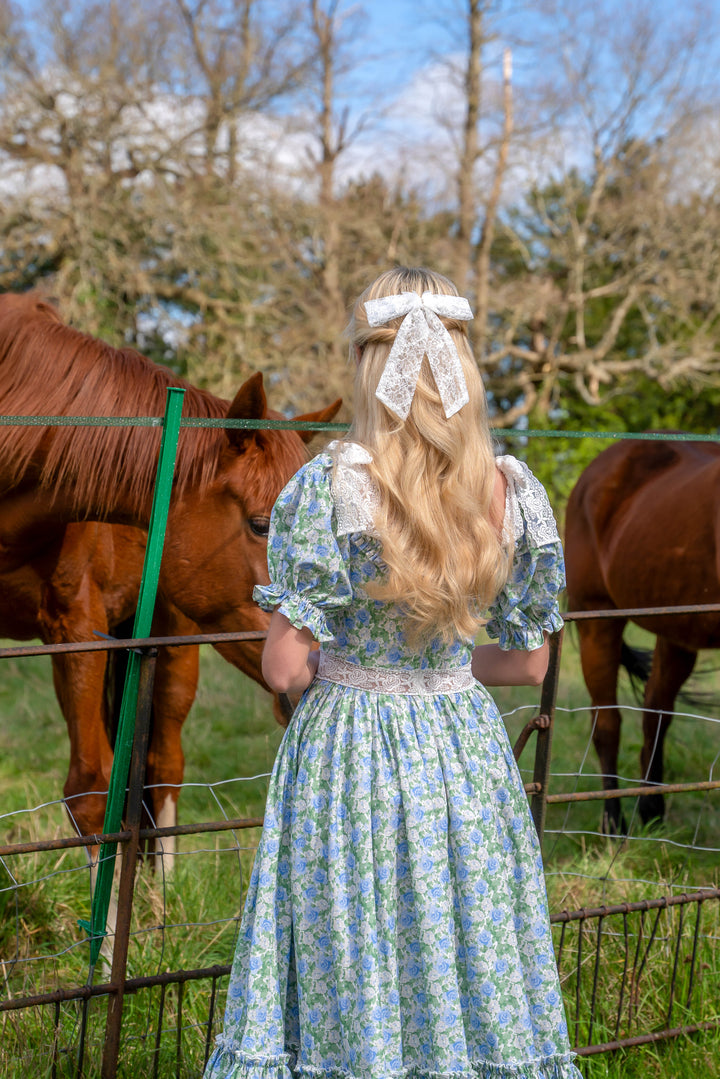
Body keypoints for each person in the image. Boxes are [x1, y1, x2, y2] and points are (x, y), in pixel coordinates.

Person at [204, 267, 582, 1079]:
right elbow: (528, 659)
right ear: (461, 365)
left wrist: (342, 661)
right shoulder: (505, 488)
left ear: (370, 365)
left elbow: (282, 667)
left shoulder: (332, 485)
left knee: (358, 944)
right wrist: (438, 664)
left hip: (353, 753)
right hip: (464, 751)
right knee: (466, 943)